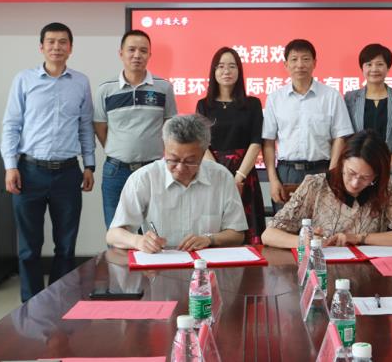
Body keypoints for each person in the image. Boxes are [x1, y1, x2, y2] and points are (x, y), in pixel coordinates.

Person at [0, 22, 96, 302]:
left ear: (71, 48)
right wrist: (10, 166)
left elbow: (85, 126)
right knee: (29, 247)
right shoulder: (24, 80)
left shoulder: (80, 82)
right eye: (51, 42)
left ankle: (58, 301)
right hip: (29, 171)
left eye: (62, 42)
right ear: (41, 47)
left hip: (68, 172)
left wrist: (89, 165)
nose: (57, 47)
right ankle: (31, 304)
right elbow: (11, 125)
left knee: (66, 246)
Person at [106, 114, 247, 253]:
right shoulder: (144, 178)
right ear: (164, 148)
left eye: (190, 161)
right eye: (173, 159)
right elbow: (113, 235)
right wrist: (138, 241)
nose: (180, 168)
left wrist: (209, 239)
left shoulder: (221, 177)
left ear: (204, 153)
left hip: (206, 264)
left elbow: (237, 234)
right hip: (161, 263)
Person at [262, 130, 392, 248]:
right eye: (351, 173)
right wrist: (305, 241)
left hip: (369, 272)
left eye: (365, 177)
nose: (355, 183)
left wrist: (359, 238)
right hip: (323, 270)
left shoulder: (384, 187)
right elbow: (269, 235)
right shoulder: (316, 185)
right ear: (342, 162)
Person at [93, 29, 177, 228]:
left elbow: (169, 125)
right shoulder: (106, 89)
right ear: (121, 53)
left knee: (155, 232)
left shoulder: (163, 87)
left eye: (143, 51)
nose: (137, 55)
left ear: (150, 54)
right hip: (116, 171)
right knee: (117, 232)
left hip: (153, 169)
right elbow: (100, 127)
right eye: (131, 50)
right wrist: (120, 149)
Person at [262, 39, 354, 212]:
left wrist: (332, 174)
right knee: (285, 225)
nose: (300, 65)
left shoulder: (331, 96)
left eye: (305, 59)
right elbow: (268, 142)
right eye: (294, 59)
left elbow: (340, 138)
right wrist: (273, 180)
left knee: (322, 224)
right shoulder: (275, 99)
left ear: (314, 63)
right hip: (287, 173)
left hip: (321, 169)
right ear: (286, 64)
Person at [196, 47, 266, 241]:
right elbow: (202, 144)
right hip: (213, 174)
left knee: (248, 232)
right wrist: (221, 176)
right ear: (214, 71)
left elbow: (256, 142)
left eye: (232, 66)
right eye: (221, 66)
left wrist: (238, 178)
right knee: (216, 230)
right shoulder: (204, 105)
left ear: (239, 71)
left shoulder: (252, 104)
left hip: (244, 175)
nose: (226, 71)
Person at [344, 43, 392, 196]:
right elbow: (347, 134)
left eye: (380, 64)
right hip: (358, 175)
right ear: (362, 68)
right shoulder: (350, 98)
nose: (374, 69)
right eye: (369, 64)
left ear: (388, 68)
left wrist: (388, 166)